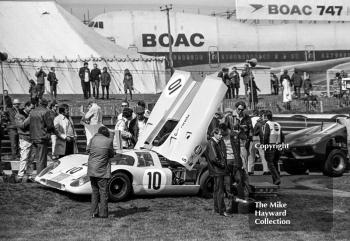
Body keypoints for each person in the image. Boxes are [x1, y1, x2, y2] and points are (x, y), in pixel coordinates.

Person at [220, 124, 249, 214]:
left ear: (227, 130)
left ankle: (242, 203)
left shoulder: (234, 135)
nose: (221, 133)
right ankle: (230, 206)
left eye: (223, 131)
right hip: (226, 162)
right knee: (227, 185)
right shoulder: (220, 138)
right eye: (220, 132)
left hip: (235, 161)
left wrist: (242, 130)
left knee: (239, 181)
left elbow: (244, 137)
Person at [87, 126, 114, 218]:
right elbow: (111, 154)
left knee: (94, 191)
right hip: (102, 170)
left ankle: (94, 213)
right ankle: (103, 214)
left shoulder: (92, 139)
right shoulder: (109, 140)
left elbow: (88, 150)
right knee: (103, 192)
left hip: (92, 169)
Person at [204, 128, 228, 217]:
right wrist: (222, 165)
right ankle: (222, 210)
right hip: (217, 170)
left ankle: (217, 209)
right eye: (220, 134)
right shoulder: (212, 143)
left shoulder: (214, 142)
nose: (221, 136)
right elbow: (213, 158)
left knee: (217, 190)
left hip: (216, 170)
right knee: (220, 191)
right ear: (214, 134)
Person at [258, 110, 284, 185]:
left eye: (262, 116)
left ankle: (277, 178)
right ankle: (276, 181)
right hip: (278, 145)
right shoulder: (277, 124)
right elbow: (282, 136)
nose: (262, 118)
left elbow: (266, 136)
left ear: (265, 117)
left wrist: (264, 145)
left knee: (270, 163)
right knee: (275, 163)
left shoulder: (267, 124)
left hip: (270, 146)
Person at [29, 98, 54, 174]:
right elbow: (49, 125)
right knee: (41, 159)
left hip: (33, 137)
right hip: (42, 137)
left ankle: (30, 174)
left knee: (34, 158)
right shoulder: (46, 111)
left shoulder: (32, 111)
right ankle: (40, 176)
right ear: (46, 104)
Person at [15, 101, 34, 182]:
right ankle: (20, 176)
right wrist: (29, 117)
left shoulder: (31, 115)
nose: (32, 110)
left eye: (33, 108)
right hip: (24, 138)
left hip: (32, 138)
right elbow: (21, 125)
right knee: (24, 158)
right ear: (26, 106)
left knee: (31, 159)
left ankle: (29, 176)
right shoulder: (18, 115)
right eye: (31, 108)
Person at [231, 101, 252, 172]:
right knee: (235, 161)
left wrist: (248, 138)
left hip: (243, 141)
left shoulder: (246, 117)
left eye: (242, 110)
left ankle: (245, 179)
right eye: (239, 109)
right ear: (236, 108)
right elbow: (224, 129)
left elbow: (250, 128)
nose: (240, 111)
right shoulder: (229, 116)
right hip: (232, 141)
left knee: (244, 160)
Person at [250, 110, 269, 174]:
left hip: (252, 139)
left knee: (251, 155)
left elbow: (253, 131)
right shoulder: (264, 121)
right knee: (263, 155)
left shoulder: (251, 120)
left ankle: (250, 170)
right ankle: (266, 170)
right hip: (261, 140)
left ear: (253, 113)